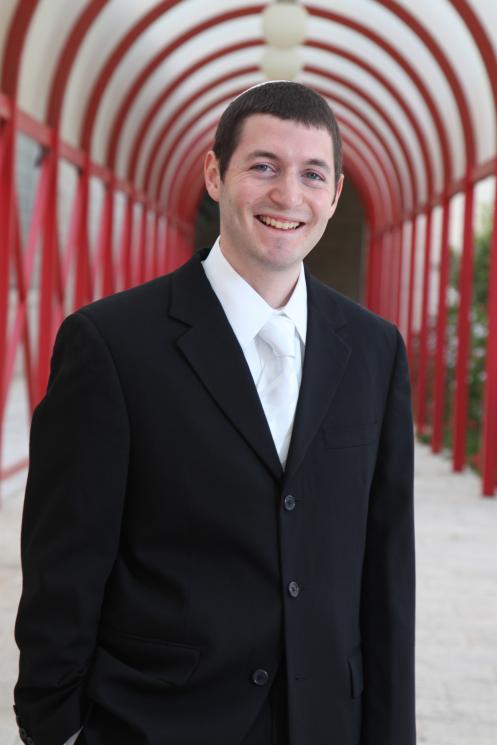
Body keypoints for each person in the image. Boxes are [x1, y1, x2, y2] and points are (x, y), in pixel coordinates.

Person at [14, 81, 415, 745]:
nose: (288, 195)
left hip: (326, 723)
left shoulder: (376, 350)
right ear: (213, 174)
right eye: (263, 166)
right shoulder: (110, 344)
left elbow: (386, 567)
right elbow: (65, 562)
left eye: (312, 174)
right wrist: (56, 726)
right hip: (155, 721)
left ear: (335, 193)